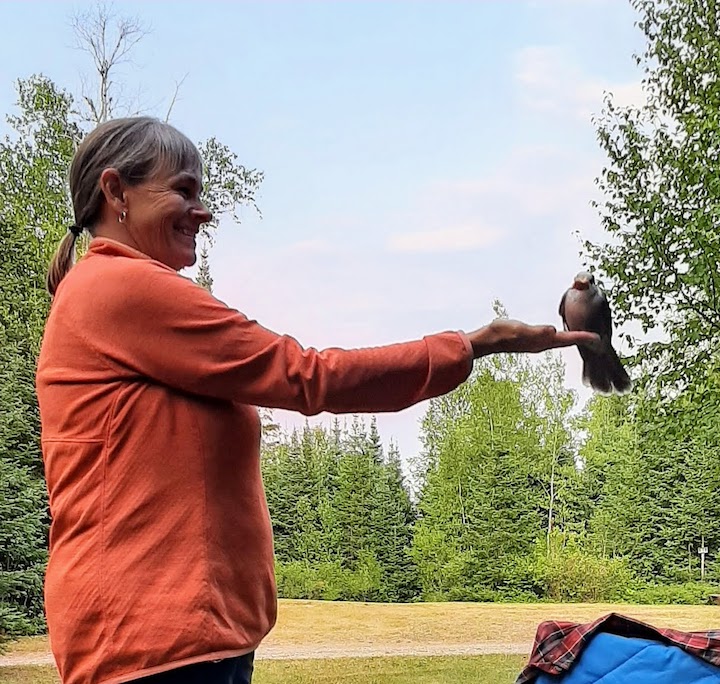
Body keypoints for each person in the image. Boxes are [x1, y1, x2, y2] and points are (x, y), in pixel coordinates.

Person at [35, 116, 597, 684]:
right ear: (116, 192)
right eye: (182, 190)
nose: (202, 212)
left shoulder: (116, 295)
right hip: (149, 646)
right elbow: (308, 376)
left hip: (181, 641)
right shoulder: (119, 287)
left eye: (201, 193)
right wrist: (473, 345)